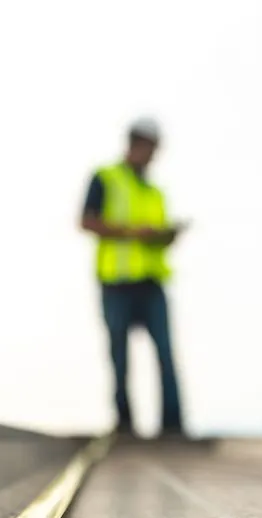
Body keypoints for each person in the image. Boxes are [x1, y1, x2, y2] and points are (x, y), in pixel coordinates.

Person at [80, 117, 187, 439]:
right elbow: (87, 221)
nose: (152, 156)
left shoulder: (155, 191)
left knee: (166, 354)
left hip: (152, 283)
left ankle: (173, 427)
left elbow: (156, 234)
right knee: (119, 355)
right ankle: (124, 425)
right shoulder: (105, 177)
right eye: (149, 148)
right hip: (116, 283)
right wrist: (132, 232)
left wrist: (165, 236)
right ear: (135, 144)